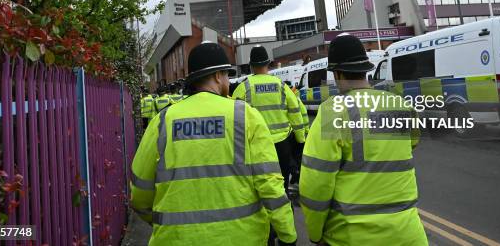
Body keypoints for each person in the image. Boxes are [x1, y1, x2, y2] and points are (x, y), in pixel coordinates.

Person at [130, 41, 297, 245]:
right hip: (242, 238)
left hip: (177, 240)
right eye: (227, 75)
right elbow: (270, 185)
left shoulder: (163, 122)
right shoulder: (245, 116)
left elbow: (139, 194)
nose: (228, 80)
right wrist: (287, 234)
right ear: (218, 76)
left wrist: (163, 223)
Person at [299, 34, 428, 246]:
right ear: (366, 70)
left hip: (352, 237)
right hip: (408, 235)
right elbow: (412, 143)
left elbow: (315, 184)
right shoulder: (401, 105)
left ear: (337, 74)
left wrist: (315, 233)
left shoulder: (333, 112)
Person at [232, 45, 306, 191]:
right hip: (282, 145)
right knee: (282, 184)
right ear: (268, 64)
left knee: (259, 185)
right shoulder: (281, 86)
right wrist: (300, 140)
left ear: (251, 66)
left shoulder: (243, 88)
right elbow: (296, 113)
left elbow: (233, 118)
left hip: (256, 146)